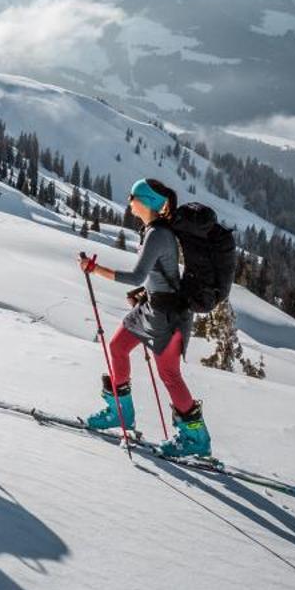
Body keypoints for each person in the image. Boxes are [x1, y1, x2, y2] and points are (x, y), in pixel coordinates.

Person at [78, 178, 211, 458]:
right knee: (117, 347)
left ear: (145, 202)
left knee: (170, 375)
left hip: (169, 315)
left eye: (132, 196)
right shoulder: (151, 230)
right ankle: (120, 413)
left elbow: (138, 274)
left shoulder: (158, 234)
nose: (128, 201)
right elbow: (157, 275)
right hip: (152, 308)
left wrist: (94, 268)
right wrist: (145, 293)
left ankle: (196, 437)